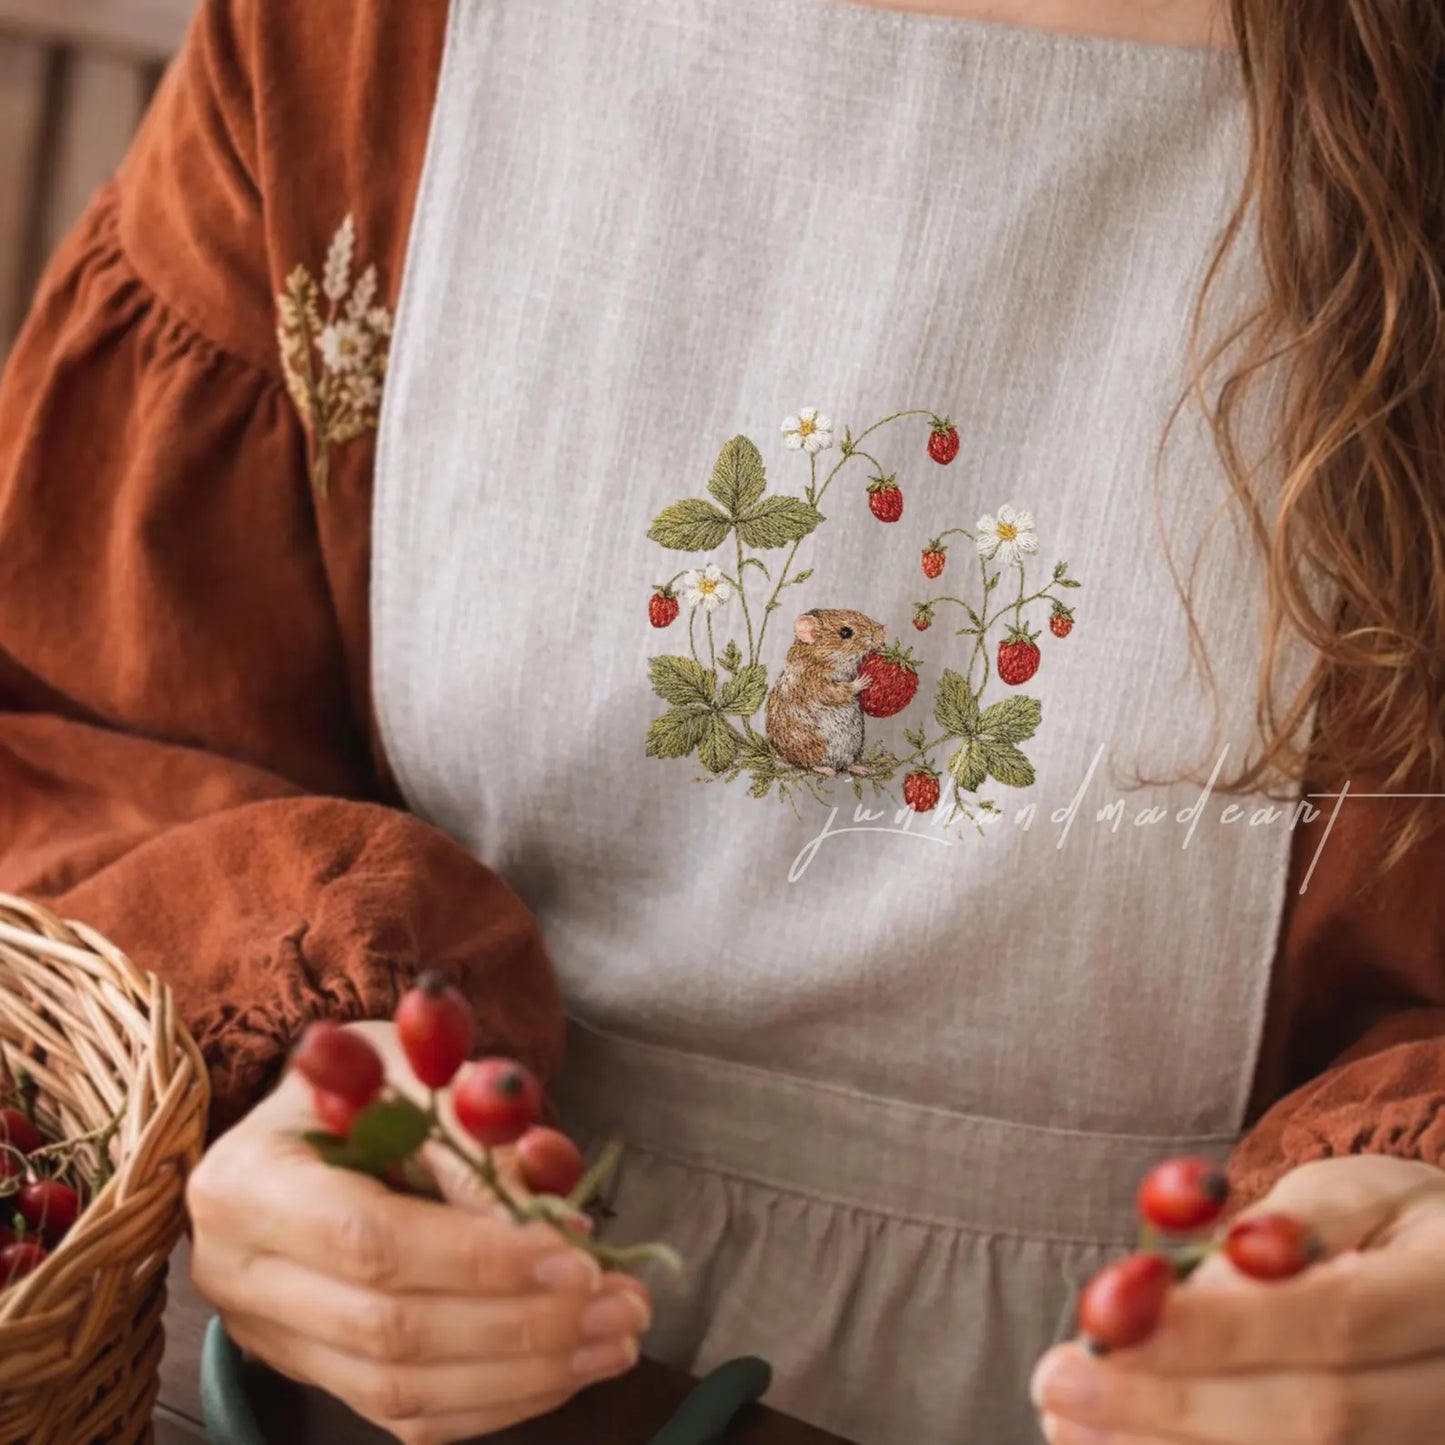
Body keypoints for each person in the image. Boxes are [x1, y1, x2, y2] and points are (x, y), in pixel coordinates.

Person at [2, 0, 1443, 1441]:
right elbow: (85, 724)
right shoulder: (359, 38)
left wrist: (1403, 1218)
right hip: (352, 1389)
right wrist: (293, 1078)